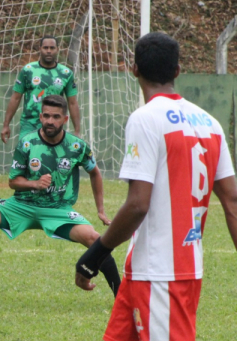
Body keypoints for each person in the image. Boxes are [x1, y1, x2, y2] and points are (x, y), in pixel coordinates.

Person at [75, 32, 237, 341]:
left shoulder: (145, 119)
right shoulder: (210, 123)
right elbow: (232, 202)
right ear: (177, 71)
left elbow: (138, 204)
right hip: (149, 270)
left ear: (134, 69)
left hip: (162, 274)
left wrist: (95, 254)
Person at [0, 94, 120, 297]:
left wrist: (101, 210)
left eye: (55, 117)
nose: (50, 121)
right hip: (22, 206)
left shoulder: (76, 146)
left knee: (94, 238)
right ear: (40, 117)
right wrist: (34, 184)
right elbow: (13, 181)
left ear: (64, 120)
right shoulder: (27, 143)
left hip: (58, 210)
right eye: (46, 116)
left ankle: (121, 294)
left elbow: (95, 173)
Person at [1, 35, 81, 143]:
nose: (49, 51)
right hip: (29, 125)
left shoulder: (65, 73)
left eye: (52, 48)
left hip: (54, 126)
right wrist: (6, 125)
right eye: (45, 48)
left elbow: (72, 103)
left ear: (57, 49)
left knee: (50, 158)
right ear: (40, 49)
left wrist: (77, 130)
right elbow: (15, 97)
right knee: (25, 157)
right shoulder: (28, 70)